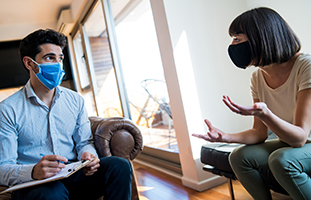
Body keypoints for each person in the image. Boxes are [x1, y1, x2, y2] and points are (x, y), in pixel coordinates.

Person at [193, 7, 311, 200]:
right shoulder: (257, 77)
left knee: (281, 160)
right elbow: (259, 133)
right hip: (291, 142)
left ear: (261, 37)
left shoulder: (306, 66)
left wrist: (265, 113)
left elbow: (299, 138)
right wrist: (225, 137)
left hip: (305, 142)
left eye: (237, 39)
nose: (232, 45)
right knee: (238, 157)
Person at [0, 29, 132, 200]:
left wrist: (88, 154)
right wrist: (33, 171)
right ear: (29, 63)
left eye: (60, 58)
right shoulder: (7, 110)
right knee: (52, 192)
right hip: (35, 183)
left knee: (119, 166)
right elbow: (3, 167)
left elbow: (85, 142)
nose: (57, 64)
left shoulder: (75, 100)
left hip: (72, 173)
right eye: (49, 58)